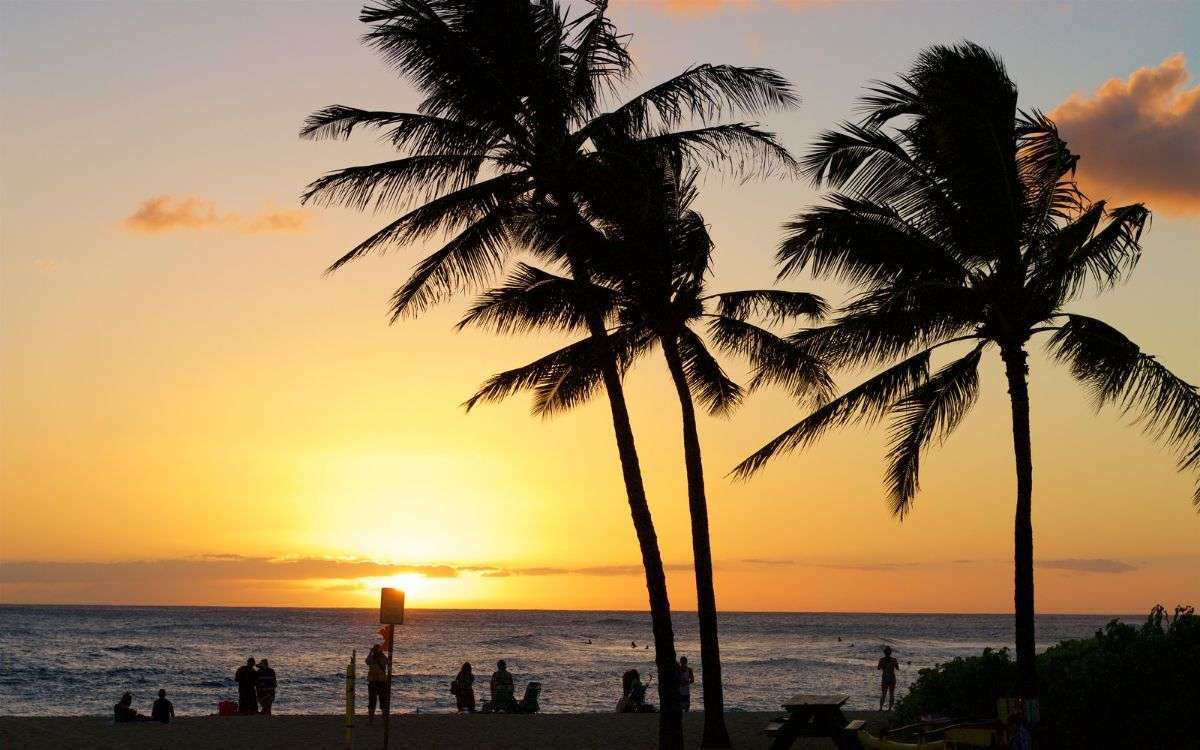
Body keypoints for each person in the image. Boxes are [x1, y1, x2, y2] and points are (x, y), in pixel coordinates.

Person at [365, 644, 389, 724]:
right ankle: (384, 721)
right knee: (381, 703)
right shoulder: (382, 658)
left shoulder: (374, 658)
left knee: (374, 703)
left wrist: (371, 652)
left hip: (375, 683)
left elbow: (367, 661)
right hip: (380, 683)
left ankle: (371, 721)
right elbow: (367, 661)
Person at [877, 645, 900, 711]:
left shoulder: (881, 660)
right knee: (891, 693)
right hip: (892, 678)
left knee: (883, 693)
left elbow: (878, 668)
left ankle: (880, 708)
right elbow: (897, 668)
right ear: (890, 653)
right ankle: (889, 708)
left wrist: (883, 666)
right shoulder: (894, 660)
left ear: (884, 653)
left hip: (885, 678)